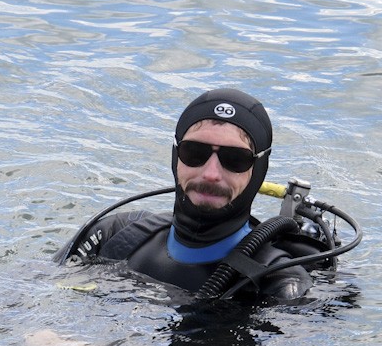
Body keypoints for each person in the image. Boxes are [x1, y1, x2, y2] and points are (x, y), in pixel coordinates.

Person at [55, 88, 313, 301]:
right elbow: (27, 295)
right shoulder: (116, 235)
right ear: (176, 158)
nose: (211, 173)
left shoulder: (278, 283)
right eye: (195, 153)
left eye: (235, 159)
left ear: (258, 170)